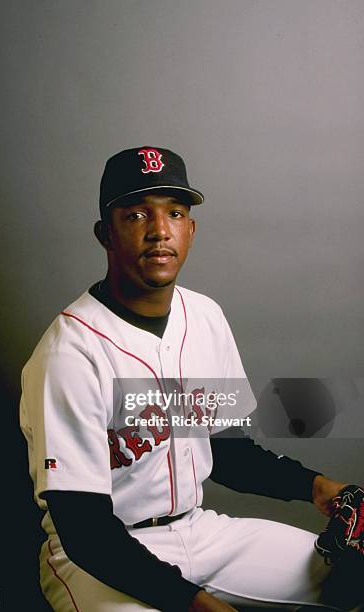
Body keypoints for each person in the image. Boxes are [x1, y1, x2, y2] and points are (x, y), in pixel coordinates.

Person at [19, 146, 355, 612]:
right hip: (95, 559)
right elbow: (85, 532)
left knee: (351, 582)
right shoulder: (70, 353)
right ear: (105, 235)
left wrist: (318, 486)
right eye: (136, 215)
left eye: (175, 213)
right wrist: (192, 603)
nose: (160, 232)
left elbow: (228, 452)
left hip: (198, 529)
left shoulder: (205, 317)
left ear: (191, 230)